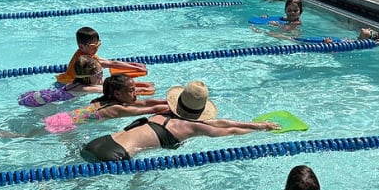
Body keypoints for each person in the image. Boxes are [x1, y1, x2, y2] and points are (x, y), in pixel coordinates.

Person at [79, 80, 279, 162]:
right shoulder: (191, 127)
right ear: (201, 111)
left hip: (100, 141)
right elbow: (229, 130)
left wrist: (257, 124)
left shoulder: (164, 112)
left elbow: (220, 122)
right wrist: (260, 128)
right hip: (114, 154)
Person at [43, 75, 169, 134]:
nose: (135, 93)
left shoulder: (105, 100)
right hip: (65, 125)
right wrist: (176, 108)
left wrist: (167, 101)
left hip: (62, 117)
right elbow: (151, 109)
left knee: (32, 134)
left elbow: (146, 102)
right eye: (131, 90)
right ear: (118, 94)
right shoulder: (116, 109)